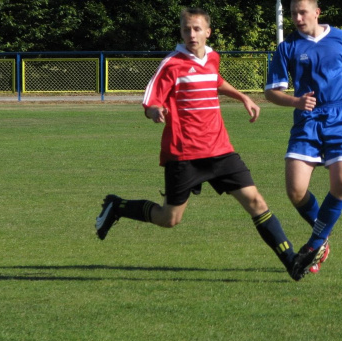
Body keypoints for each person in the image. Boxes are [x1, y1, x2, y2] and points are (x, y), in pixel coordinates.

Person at [96, 7, 306, 280]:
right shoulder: (171, 64)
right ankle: (118, 206)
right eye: (186, 29)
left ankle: (292, 262)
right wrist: (154, 111)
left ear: (208, 32)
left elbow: (215, 80)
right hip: (184, 154)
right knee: (169, 219)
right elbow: (150, 99)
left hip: (220, 150)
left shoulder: (212, 58)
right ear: (181, 32)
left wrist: (243, 97)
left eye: (197, 29)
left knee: (256, 201)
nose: (191, 34)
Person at [264, 0, 342, 276]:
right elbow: (271, 92)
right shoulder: (287, 48)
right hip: (307, 121)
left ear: (317, 12)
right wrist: (295, 102)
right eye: (293, 13)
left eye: (302, 12)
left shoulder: (340, 37)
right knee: (295, 191)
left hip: (341, 116)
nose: (297, 18)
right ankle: (323, 238)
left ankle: (315, 244)